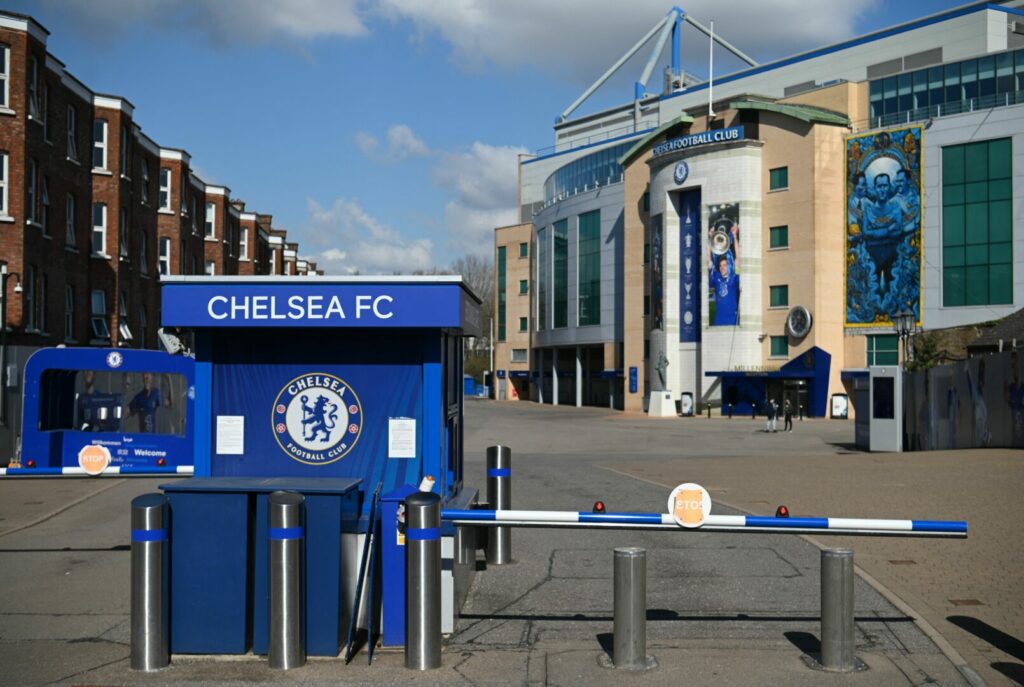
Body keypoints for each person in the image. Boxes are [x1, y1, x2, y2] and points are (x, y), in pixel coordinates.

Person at [708, 223, 740, 326]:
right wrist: (710, 238)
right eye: (721, 265)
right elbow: (709, 261)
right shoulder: (716, 277)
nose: (722, 267)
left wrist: (734, 236)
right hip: (718, 322)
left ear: (729, 266)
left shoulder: (734, 278)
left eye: (725, 265)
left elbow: (738, 259)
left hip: (732, 321)